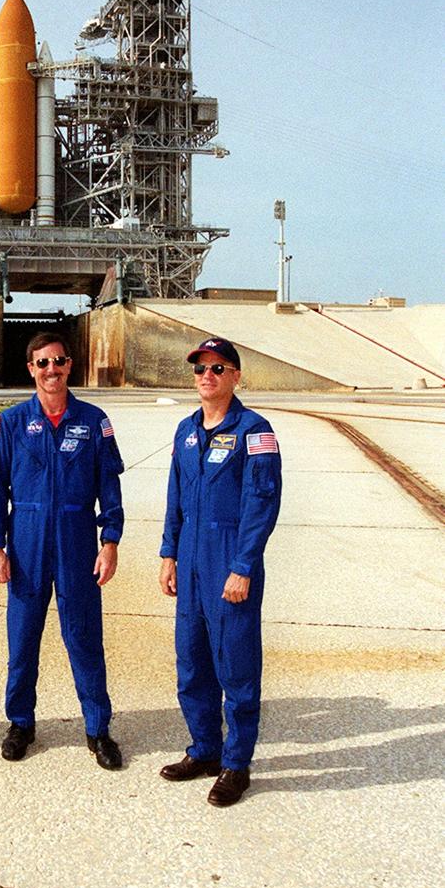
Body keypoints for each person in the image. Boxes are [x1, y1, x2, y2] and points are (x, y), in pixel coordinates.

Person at [0, 331, 125, 769]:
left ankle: (98, 728)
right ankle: (20, 723)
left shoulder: (93, 421)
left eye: (59, 362)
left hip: (76, 538)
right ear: (31, 369)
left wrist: (111, 541)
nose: (52, 370)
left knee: (83, 637)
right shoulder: (10, 422)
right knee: (23, 638)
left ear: (69, 365)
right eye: (42, 363)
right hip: (25, 542)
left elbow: (109, 486)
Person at [159, 337, 282, 806]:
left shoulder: (255, 430)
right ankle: (204, 749)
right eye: (199, 369)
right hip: (189, 560)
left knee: (236, 666)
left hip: (229, 558)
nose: (206, 377)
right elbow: (176, 498)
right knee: (192, 664)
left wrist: (243, 566)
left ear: (235, 376)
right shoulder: (186, 431)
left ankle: (236, 764)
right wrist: (168, 554)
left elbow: (262, 502)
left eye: (217, 368)